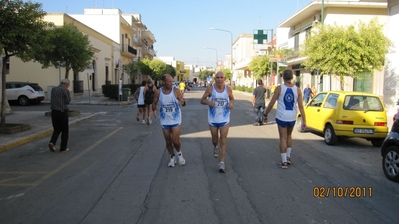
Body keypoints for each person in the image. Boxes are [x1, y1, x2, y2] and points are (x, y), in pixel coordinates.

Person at [263, 69, 306, 169]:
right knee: (289, 136)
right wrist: (304, 120)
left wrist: (265, 114)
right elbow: (301, 106)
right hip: (292, 116)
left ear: (283, 77)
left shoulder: (279, 88)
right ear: (292, 77)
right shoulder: (298, 90)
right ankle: (288, 157)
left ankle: (284, 162)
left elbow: (271, 103)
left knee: (283, 138)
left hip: (282, 116)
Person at [200, 71, 235, 173]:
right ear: (215, 79)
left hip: (224, 119)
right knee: (215, 139)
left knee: (223, 139)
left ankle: (222, 163)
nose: (219, 79)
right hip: (213, 119)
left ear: (224, 79)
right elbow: (202, 100)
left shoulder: (228, 89)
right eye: (217, 78)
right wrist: (208, 102)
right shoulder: (210, 89)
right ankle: (215, 146)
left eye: (221, 77)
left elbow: (232, 99)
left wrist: (231, 104)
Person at [152, 74, 186, 167]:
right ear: (164, 82)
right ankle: (172, 157)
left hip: (176, 118)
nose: (172, 83)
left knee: (175, 140)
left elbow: (183, 103)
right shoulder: (158, 92)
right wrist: (154, 109)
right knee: (168, 141)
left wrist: (182, 102)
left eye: (172, 81)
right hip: (164, 119)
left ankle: (179, 154)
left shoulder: (176, 91)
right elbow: (154, 103)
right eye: (169, 81)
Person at [48, 79, 71, 153]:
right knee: (65, 131)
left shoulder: (53, 89)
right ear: (66, 84)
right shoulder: (65, 90)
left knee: (57, 129)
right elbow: (68, 101)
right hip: (62, 112)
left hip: (54, 112)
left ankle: (52, 142)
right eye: (68, 85)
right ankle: (63, 148)